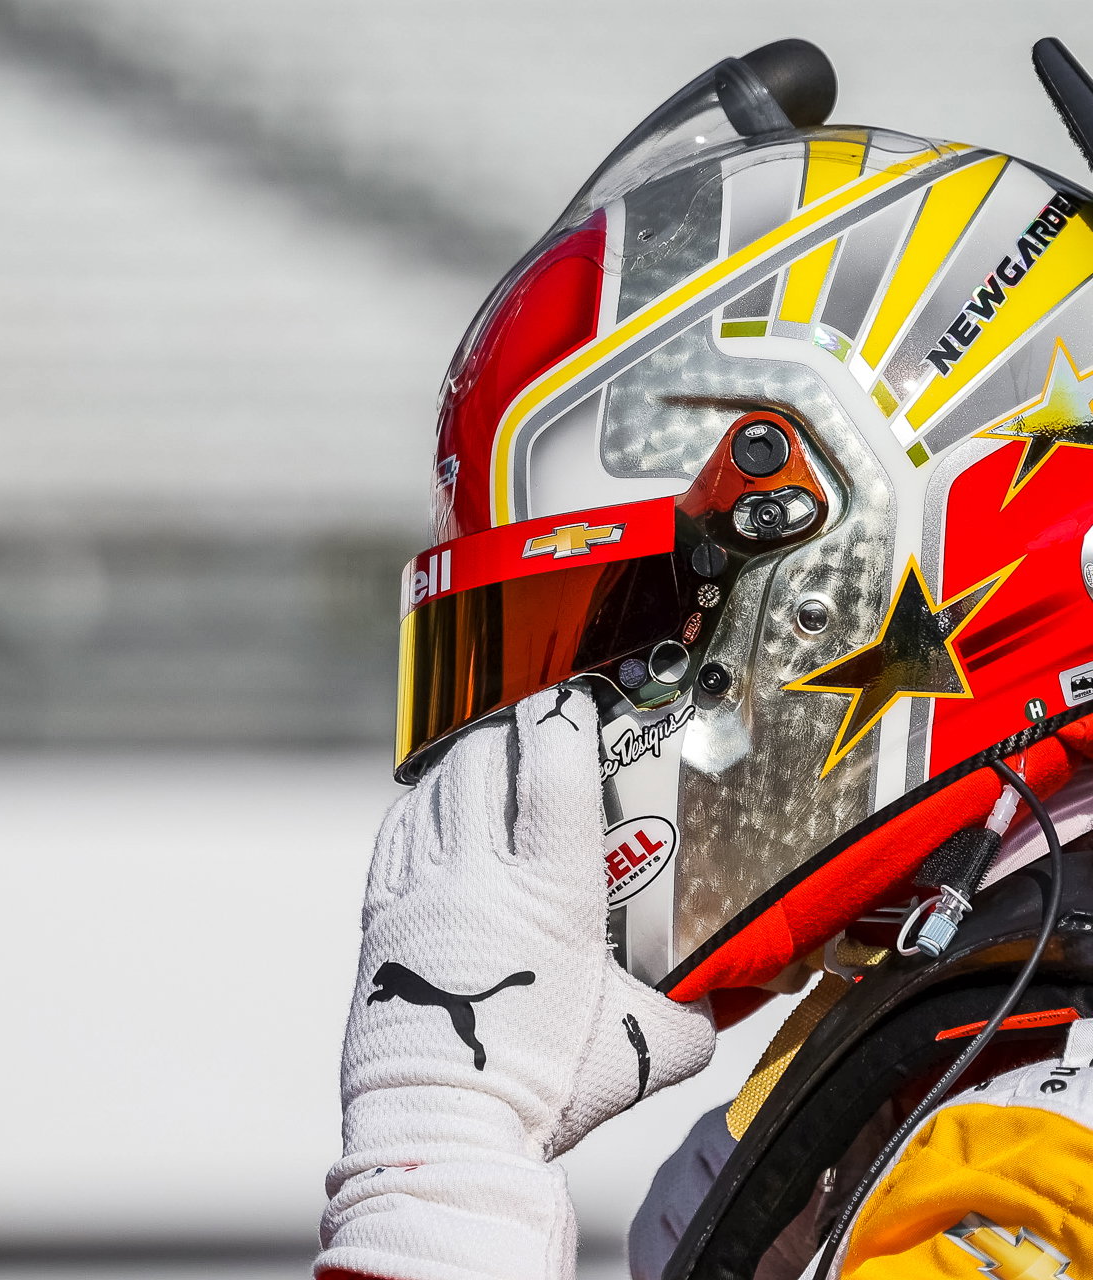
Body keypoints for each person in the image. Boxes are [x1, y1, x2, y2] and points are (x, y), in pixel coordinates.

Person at [316, 36, 1093, 1280]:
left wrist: (445, 1168)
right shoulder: (990, 1003)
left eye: (607, 642)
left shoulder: (1050, 1145)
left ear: (835, 560)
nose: (547, 733)